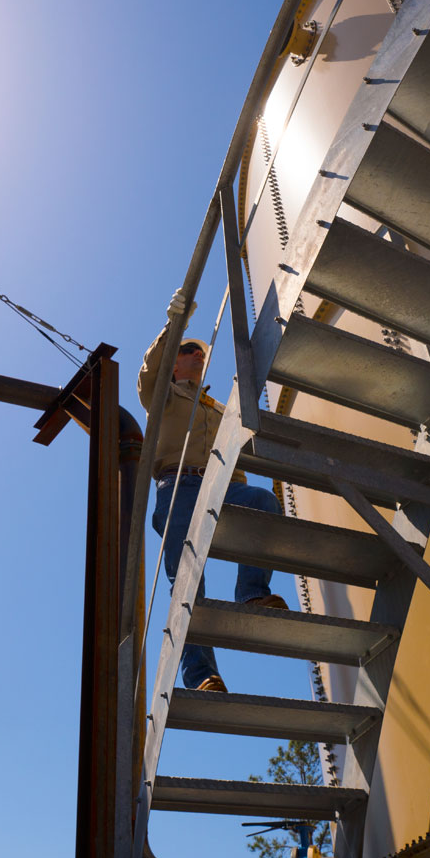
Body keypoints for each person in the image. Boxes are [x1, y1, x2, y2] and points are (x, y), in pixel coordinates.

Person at [139, 291, 288, 694]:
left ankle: (252, 594)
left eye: (200, 353)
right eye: (188, 351)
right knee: (189, 584)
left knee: (263, 502)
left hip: (217, 486)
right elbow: (151, 369)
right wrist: (177, 324)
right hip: (178, 489)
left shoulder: (221, 409)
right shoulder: (163, 396)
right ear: (175, 364)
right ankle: (202, 676)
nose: (196, 355)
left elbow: (235, 455)